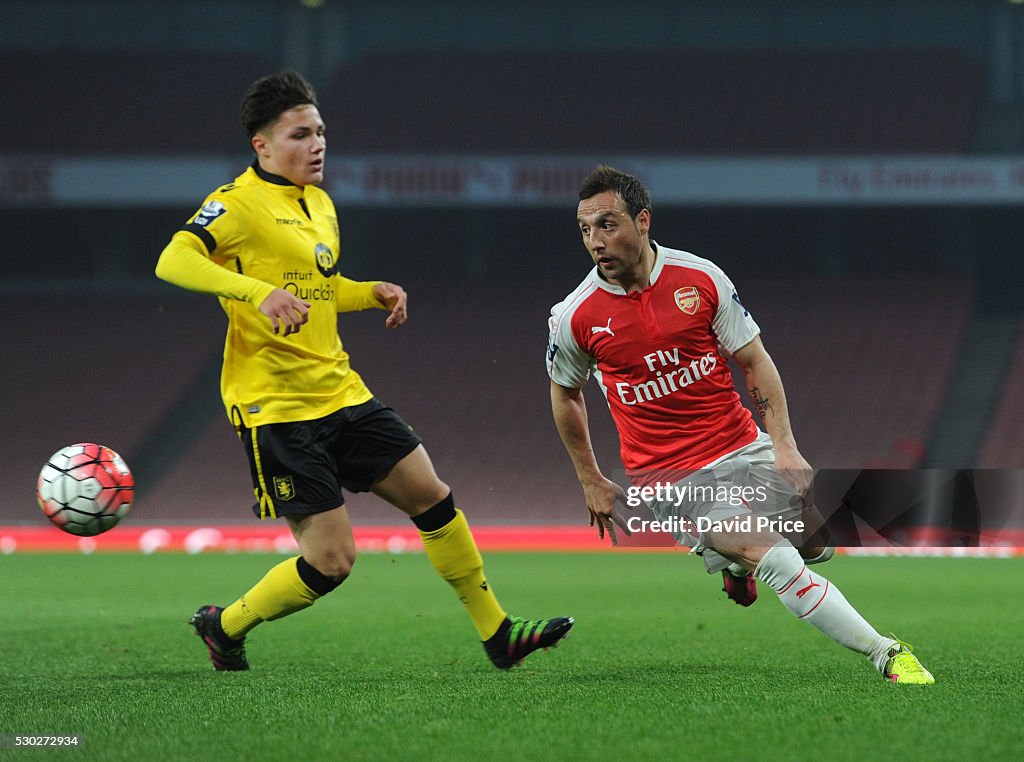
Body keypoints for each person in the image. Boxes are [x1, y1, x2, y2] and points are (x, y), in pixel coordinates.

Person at [155, 70, 572, 671]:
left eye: (321, 131)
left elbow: (316, 291)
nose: (317, 144)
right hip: (278, 407)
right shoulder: (236, 204)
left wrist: (366, 291)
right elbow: (173, 258)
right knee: (332, 562)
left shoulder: (320, 205)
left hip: (341, 390)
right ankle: (225, 626)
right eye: (301, 134)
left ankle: (498, 634)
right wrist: (253, 292)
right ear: (262, 145)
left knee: (431, 496)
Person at [546, 165, 933, 684]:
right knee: (775, 559)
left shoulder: (700, 278)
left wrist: (785, 446)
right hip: (670, 477)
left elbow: (755, 360)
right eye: (585, 229)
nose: (595, 241)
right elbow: (565, 394)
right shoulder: (575, 315)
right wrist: (590, 478)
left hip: (740, 444)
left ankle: (731, 567)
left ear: (642, 221)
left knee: (818, 546)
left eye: (608, 224)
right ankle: (886, 654)